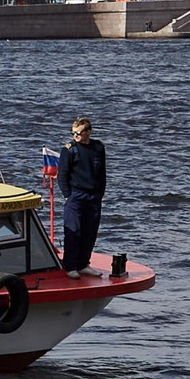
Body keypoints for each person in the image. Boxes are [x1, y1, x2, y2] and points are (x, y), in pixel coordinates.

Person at [56, 115, 107, 277]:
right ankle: (70, 266)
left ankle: (83, 264)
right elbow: (62, 174)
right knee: (73, 231)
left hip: (93, 196)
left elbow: (102, 173)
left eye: (78, 133)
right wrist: (67, 195)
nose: (75, 136)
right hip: (75, 196)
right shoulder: (69, 149)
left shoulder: (98, 148)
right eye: (73, 133)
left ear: (88, 132)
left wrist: (100, 193)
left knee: (90, 231)